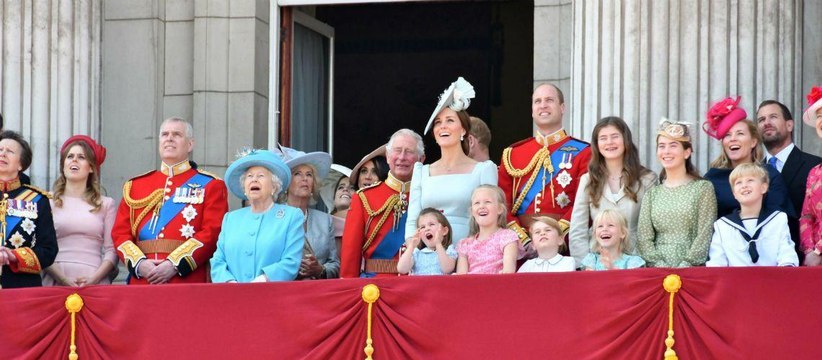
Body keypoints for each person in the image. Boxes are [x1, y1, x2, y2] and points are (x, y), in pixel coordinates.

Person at [111, 117, 228, 284]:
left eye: (177, 134)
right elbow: (120, 234)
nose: (169, 138)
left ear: (190, 144)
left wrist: (174, 264)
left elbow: (212, 232)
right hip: (143, 279)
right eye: (165, 134)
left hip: (186, 280)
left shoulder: (211, 185)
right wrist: (140, 264)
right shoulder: (135, 186)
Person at [498, 83, 592, 249]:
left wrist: (557, 233)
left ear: (562, 107)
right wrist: (523, 239)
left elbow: (585, 202)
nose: (543, 105)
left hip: (565, 242)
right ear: (532, 110)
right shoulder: (512, 154)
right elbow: (502, 204)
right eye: (538, 101)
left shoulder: (584, 152)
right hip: (521, 245)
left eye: (549, 100)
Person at [406, 77, 498, 244]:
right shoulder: (421, 172)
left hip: (471, 253)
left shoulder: (484, 169)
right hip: (430, 253)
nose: (443, 126)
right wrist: (414, 252)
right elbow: (413, 220)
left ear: (463, 129)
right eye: (438, 123)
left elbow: (492, 220)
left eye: (450, 120)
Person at [569, 116, 657, 266]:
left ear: (626, 140)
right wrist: (583, 265)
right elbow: (578, 228)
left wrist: (644, 263)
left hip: (635, 262)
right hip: (597, 263)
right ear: (597, 145)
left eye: (615, 137)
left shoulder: (647, 179)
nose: (609, 142)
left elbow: (651, 227)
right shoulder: (588, 180)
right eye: (603, 138)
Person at [210, 149, 304, 282]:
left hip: (272, 295)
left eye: (260, 176)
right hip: (232, 295)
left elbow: (291, 261)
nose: (254, 179)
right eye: (249, 176)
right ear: (244, 188)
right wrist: (229, 282)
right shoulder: (231, 219)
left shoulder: (291, 216)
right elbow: (218, 260)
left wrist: (263, 280)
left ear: (274, 186)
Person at [340, 129, 424, 278]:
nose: (402, 157)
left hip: (418, 282)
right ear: (388, 156)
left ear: (421, 159)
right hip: (375, 287)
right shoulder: (364, 198)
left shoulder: (428, 195)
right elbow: (350, 254)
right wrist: (349, 289)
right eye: (397, 151)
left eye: (409, 152)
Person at [637, 119, 716, 268]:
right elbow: (644, 238)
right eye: (662, 146)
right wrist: (660, 267)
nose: (666, 151)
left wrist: (686, 266)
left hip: (692, 271)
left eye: (673, 145)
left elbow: (705, 234)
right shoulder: (652, 194)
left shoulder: (703, 188)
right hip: (657, 273)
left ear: (687, 152)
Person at [43, 135, 117, 286]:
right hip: (54, 279)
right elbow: (40, 247)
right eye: (70, 156)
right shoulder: (46, 201)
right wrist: (63, 279)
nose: (74, 160)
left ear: (91, 167)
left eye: (81, 157)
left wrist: (95, 279)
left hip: (94, 279)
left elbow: (112, 250)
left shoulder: (106, 204)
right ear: (63, 165)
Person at [702, 96, 794, 219]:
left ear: (753, 142)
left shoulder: (769, 174)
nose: (733, 138)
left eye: (740, 133)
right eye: (728, 135)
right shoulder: (712, 178)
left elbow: (781, 216)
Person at [757, 98, 822, 260]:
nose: (766, 123)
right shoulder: (752, 173)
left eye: (773, 117)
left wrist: (813, 252)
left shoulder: (814, 165)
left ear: (789, 125)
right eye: (761, 119)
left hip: (806, 260)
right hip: (764, 262)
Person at [706, 164, 798, 267]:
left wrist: (786, 268)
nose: (744, 185)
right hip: (736, 282)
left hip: (772, 280)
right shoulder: (722, 226)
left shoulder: (778, 219)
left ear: (764, 187)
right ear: (734, 194)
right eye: (738, 182)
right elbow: (717, 262)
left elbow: (786, 253)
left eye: (750, 180)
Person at [0, 130, 57, 288]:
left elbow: (49, 250)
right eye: (0, 150)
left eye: (9, 151)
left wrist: (14, 256)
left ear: (21, 164)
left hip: (21, 287)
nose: (3, 154)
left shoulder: (38, 200)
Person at [275, 145, 339, 280]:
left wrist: (320, 270)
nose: (304, 178)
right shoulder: (273, 217)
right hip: (283, 291)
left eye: (309, 174)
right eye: (297, 174)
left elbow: (335, 265)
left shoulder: (324, 220)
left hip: (316, 293)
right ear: (286, 184)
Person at [456, 185, 522, 274]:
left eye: (487, 202)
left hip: (497, 286)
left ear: (500, 209)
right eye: (477, 203)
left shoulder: (507, 237)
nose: (481, 206)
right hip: (471, 287)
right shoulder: (465, 244)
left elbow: (508, 272)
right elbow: (460, 278)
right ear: (472, 212)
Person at [397, 207, 457, 275]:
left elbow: (447, 269)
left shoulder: (449, 251)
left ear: (444, 230)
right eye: (422, 227)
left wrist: (438, 244)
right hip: (419, 285)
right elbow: (401, 269)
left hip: (440, 285)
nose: (427, 229)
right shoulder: (417, 253)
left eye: (431, 224)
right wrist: (411, 246)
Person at [799, 86, 822, 266]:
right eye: (819, 116)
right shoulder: (814, 172)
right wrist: (809, 251)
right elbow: (806, 216)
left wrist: (818, 251)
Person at [581, 210, 646, 270]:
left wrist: (612, 268)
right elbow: (589, 280)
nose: (604, 229)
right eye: (600, 226)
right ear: (595, 234)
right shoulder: (592, 259)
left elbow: (631, 280)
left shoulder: (633, 261)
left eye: (610, 225)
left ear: (623, 233)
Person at [320, 164, 354, 254]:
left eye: (352, 188)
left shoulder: (365, 224)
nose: (345, 189)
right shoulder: (321, 223)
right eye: (340, 187)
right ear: (334, 198)